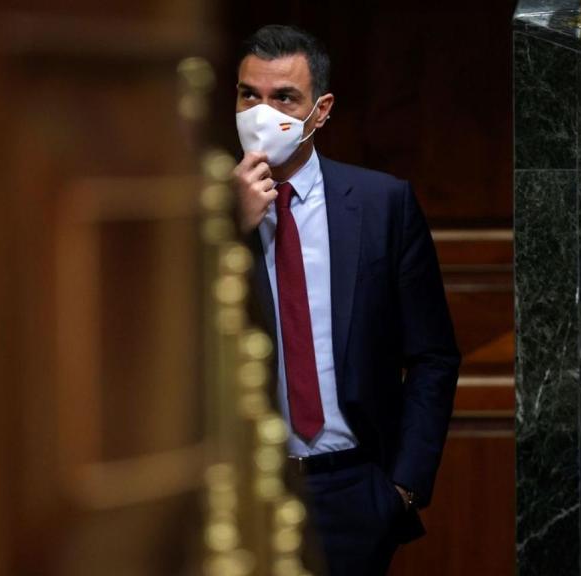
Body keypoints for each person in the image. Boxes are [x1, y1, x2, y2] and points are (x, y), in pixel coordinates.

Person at [231, 24, 460, 575]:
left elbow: (433, 355)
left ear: (321, 108)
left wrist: (402, 488)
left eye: (284, 97)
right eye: (248, 96)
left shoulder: (384, 204)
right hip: (243, 491)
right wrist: (229, 228)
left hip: (354, 489)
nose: (262, 113)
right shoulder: (195, 211)